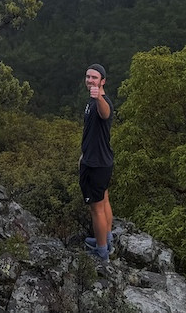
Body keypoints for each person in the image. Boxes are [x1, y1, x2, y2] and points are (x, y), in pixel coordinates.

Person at [79, 63, 114, 262]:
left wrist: (98, 97)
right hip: (100, 160)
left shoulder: (101, 101)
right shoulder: (90, 102)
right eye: (88, 77)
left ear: (103, 81)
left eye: (94, 77)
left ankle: (102, 253)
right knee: (104, 199)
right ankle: (106, 238)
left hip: (96, 164)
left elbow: (105, 113)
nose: (90, 80)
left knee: (96, 208)